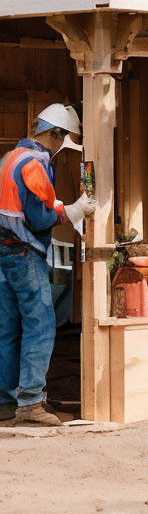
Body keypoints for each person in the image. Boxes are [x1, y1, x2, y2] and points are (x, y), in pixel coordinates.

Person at [0, 104, 96, 425]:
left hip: (3, 256)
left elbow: (28, 202)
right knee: (40, 324)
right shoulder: (35, 163)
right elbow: (39, 217)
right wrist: (73, 211)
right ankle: (29, 403)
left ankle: (5, 403)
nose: (61, 150)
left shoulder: (11, 159)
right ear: (56, 135)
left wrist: (66, 207)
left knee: (9, 328)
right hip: (24, 253)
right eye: (63, 141)